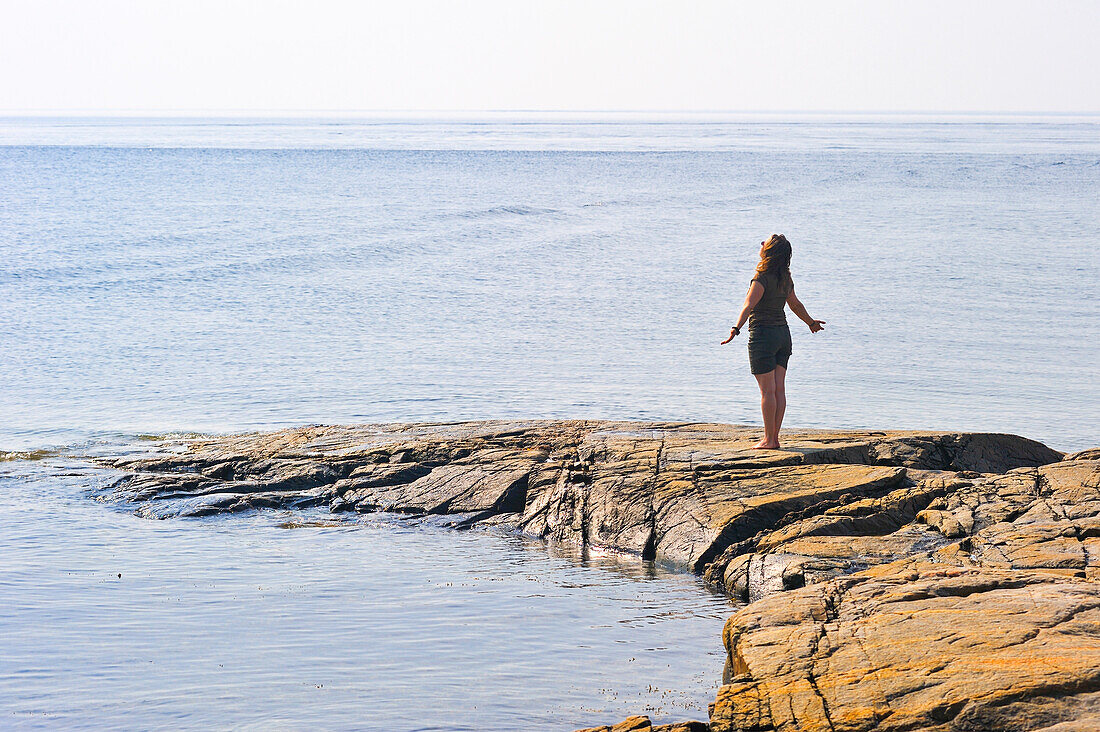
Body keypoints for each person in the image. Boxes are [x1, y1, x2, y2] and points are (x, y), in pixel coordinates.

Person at [721, 234, 825, 450]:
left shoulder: (761, 277)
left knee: (768, 392)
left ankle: (769, 440)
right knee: (779, 390)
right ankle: (774, 438)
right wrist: (810, 322)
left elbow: (748, 305)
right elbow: (795, 305)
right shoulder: (785, 277)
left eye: (765, 243)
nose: (761, 244)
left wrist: (735, 329)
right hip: (783, 336)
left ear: (770, 251)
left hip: (763, 337)